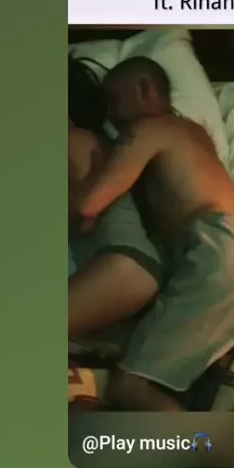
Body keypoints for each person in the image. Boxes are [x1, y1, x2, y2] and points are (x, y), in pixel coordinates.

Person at [72, 56, 234, 411]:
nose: (110, 116)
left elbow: (89, 206)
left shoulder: (148, 130)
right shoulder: (195, 134)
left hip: (217, 251)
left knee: (130, 388)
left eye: (114, 102)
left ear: (144, 89)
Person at [68, 57, 163, 341]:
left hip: (121, 265)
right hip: (133, 268)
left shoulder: (74, 140)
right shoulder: (105, 144)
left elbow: (83, 216)